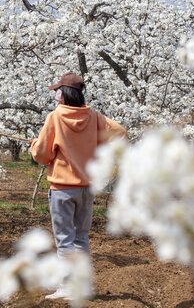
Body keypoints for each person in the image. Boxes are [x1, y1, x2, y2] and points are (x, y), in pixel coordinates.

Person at [31, 72, 127, 300]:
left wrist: (35, 144)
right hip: (87, 188)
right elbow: (120, 133)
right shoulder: (93, 116)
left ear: (62, 94)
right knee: (81, 238)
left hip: (63, 189)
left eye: (57, 91)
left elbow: (42, 155)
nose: (55, 95)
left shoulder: (55, 117)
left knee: (65, 240)